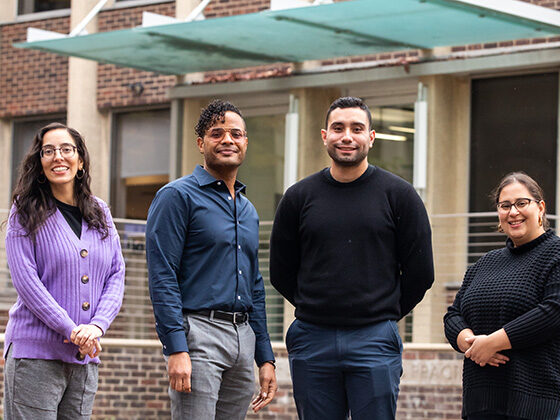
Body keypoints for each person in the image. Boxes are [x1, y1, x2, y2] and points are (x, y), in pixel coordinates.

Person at [270, 96, 434, 420]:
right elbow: (281, 270)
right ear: (324, 135)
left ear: (371, 137)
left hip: (374, 338)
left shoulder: (399, 195)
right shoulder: (298, 198)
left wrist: (382, 312)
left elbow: (421, 272)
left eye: (357, 128)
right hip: (312, 338)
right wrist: (317, 304)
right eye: (338, 128)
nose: (347, 136)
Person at [146, 99, 277, 420]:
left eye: (236, 134)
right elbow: (162, 275)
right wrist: (176, 348)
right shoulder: (177, 196)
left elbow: (255, 286)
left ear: (246, 142)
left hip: (243, 339)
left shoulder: (247, 209)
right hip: (198, 334)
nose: (228, 140)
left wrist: (265, 357)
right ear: (201, 143)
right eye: (217, 134)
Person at [3, 122, 125, 419]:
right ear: (40, 162)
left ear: (80, 160)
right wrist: (71, 330)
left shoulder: (101, 212)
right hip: (35, 356)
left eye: (67, 149)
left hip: (84, 358)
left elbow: (116, 275)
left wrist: (96, 326)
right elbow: (28, 284)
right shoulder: (24, 211)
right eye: (48, 151)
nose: (58, 157)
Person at [444, 172, 560, 420]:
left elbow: (552, 312)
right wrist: (469, 343)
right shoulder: (484, 263)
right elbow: (453, 315)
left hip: (537, 403)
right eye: (505, 205)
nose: (513, 212)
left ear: (540, 208)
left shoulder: (556, 254)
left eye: (521, 203)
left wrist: (493, 343)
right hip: (482, 401)